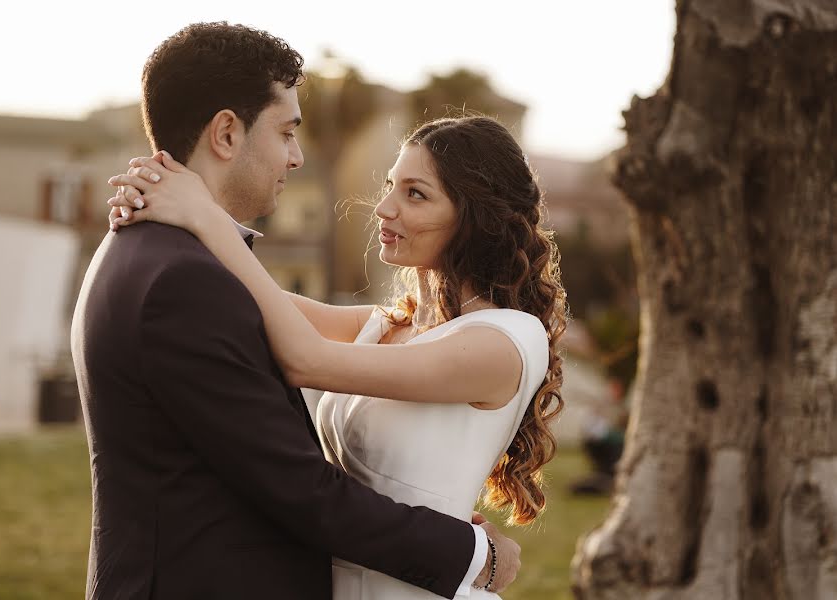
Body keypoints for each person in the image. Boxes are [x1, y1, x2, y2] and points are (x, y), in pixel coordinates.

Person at [71, 22, 522, 600]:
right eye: (286, 133)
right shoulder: (181, 281)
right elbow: (303, 491)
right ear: (227, 133)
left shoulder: (161, 255)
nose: (297, 156)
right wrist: (475, 554)